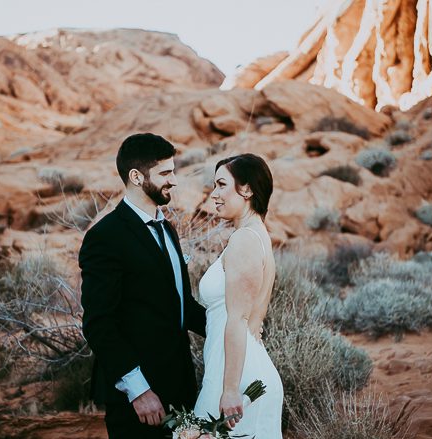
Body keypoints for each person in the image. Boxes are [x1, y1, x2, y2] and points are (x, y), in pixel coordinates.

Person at [79, 133, 206, 439]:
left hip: (181, 384)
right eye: (165, 173)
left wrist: (233, 328)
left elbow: (181, 305)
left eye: (173, 171)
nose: (173, 181)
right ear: (136, 177)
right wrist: (139, 390)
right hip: (139, 397)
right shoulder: (105, 237)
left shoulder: (168, 229)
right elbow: (99, 324)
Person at [194, 153, 283, 438]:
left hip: (238, 382)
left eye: (221, 185)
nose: (214, 195)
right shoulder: (256, 235)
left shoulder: (244, 240)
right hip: (238, 369)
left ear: (246, 190)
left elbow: (237, 319)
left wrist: (230, 390)